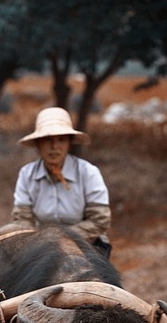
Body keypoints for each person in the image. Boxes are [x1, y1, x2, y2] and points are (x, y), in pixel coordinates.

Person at [11, 106, 111, 256]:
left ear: (69, 143)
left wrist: (62, 239)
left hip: (86, 243)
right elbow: (22, 219)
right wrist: (41, 241)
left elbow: (99, 220)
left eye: (61, 140)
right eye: (47, 140)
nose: (54, 147)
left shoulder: (88, 172)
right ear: (38, 144)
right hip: (41, 245)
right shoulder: (27, 174)